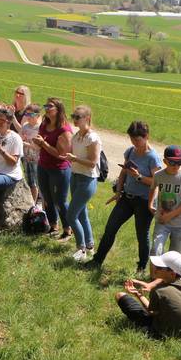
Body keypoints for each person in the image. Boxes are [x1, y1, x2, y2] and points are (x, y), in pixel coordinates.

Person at [86, 120, 162, 274]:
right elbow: (123, 172)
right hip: (127, 198)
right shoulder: (130, 151)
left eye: (137, 139)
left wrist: (139, 176)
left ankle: (141, 267)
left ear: (146, 136)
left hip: (144, 202)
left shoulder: (153, 157)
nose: (134, 142)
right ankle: (97, 260)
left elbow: (157, 182)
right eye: (132, 139)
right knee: (110, 228)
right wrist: (118, 192)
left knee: (142, 235)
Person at [114, 251, 181, 339]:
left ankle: (147, 330)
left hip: (165, 336)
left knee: (120, 296)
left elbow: (151, 312)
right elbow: (171, 278)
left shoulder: (160, 291)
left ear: (172, 273)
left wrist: (137, 294)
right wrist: (149, 284)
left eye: (159, 267)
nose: (155, 268)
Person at [64, 105, 101, 262]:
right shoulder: (76, 136)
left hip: (87, 179)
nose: (75, 119)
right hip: (75, 176)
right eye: (74, 116)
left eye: (78, 116)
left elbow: (93, 162)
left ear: (87, 118)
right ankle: (90, 246)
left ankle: (81, 249)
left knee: (71, 215)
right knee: (81, 214)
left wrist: (74, 158)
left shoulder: (93, 138)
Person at [32, 97, 72, 238]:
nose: (47, 108)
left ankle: (68, 229)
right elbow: (41, 144)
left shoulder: (64, 130)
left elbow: (62, 154)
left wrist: (43, 144)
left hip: (59, 169)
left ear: (58, 109)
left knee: (60, 201)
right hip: (43, 165)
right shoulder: (44, 124)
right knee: (47, 199)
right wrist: (37, 142)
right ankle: (54, 226)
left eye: (50, 106)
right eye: (46, 106)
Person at [149, 145, 181, 256]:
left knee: (175, 256)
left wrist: (170, 215)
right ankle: (154, 274)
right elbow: (153, 188)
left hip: (180, 224)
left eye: (179, 163)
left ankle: (170, 274)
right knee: (156, 250)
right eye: (172, 163)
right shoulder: (158, 175)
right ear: (165, 161)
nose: (176, 166)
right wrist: (150, 204)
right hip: (162, 222)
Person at [18, 104, 42, 204]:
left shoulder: (40, 128)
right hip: (26, 158)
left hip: (37, 159)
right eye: (26, 114)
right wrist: (22, 139)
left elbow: (39, 147)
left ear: (37, 115)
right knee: (30, 182)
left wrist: (25, 143)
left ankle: (37, 203)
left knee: (37, 182)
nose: (28, 116)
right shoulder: (25, 126)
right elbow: (19, 138)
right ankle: (33, 203)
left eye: (31, 114)